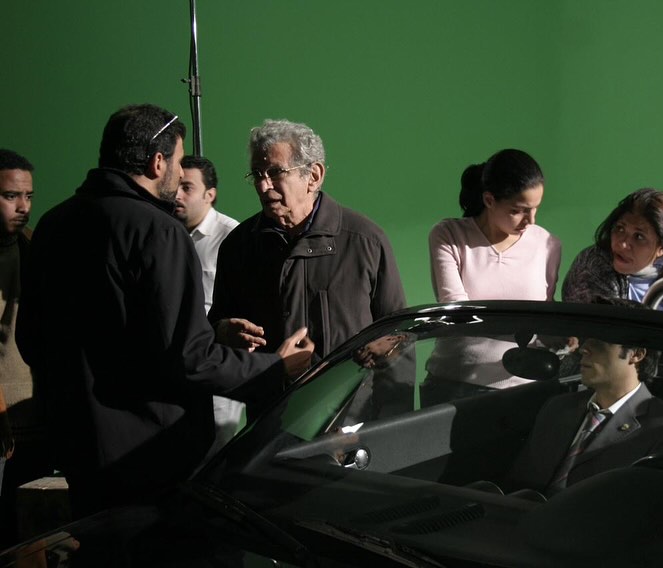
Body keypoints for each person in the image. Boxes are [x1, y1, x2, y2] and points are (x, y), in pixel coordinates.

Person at [15, 104, 315, 519]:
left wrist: (211, 333)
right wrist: (274, 367)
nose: (178, 172)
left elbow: (33, 340)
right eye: (177, 161)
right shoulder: (158, 231)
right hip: (148, 460)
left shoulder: (52, 224)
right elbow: (188, 359)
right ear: (158, 163)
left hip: (76, 451)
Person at [208, 119, 406, 419]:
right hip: (271, 421)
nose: (263, 185)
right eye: (257, 174)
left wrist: (394, 421)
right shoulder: (239, 246)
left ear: (313, 176)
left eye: (275, 172)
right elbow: (215, 327)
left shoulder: (365, 241)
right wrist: (223, 331)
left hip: (351, 420)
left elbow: (398, 338)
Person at [505, 298, 663, 496]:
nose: (584, 349)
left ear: (637, 354)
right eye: (586, 340)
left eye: (599, 342)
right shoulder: (558, 408)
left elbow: (659, 508)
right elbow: (518, 485)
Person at [175, 155, 244, 456]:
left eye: (187, 187)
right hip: (179, 362)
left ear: (210, 194)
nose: (177, 194)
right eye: (176, 185)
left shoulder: (232, 237)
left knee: (216, 449)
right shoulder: (168, 233)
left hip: (217, 360)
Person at [0, 149, 52, 546]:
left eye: (29, 196)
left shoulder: (33, 246)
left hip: (35, 417)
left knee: (32, 535)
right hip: (3, 420)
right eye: (10, 196)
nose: (23, 207)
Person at [429, 148, 561, 302]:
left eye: (535, 208)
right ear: (489, 200)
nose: (531, 220)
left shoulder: (547, 244)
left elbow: (546, 311)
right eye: (517, 211)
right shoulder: (449, 237)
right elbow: (456, 308)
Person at [563, 188, 663, 313]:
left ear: (662, 248)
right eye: (620, 228)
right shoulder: (593, 266)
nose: (623, 244)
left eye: (639, 237)